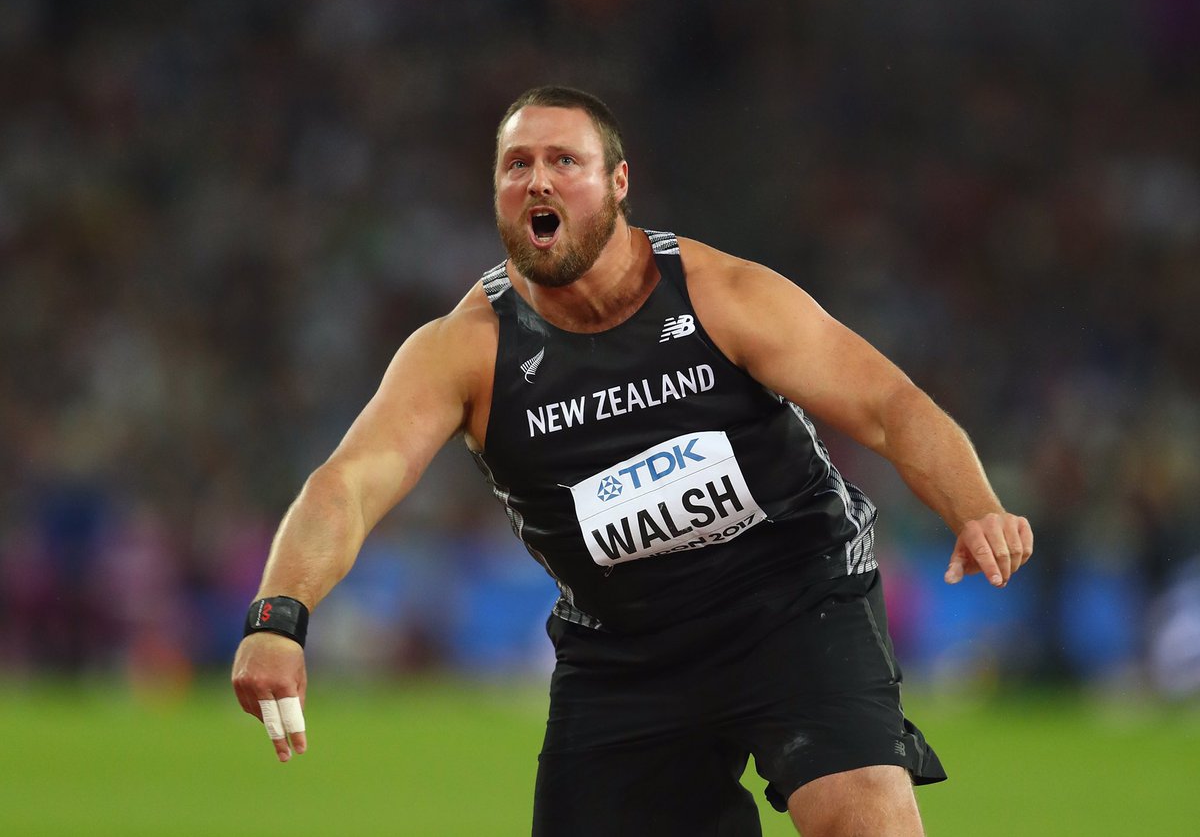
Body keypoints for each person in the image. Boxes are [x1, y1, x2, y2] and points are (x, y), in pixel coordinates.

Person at [232, 85, 1033, 836]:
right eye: (517, 165)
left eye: (563, 162)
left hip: (795, 603)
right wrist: (278, 616)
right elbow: (350, 482)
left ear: (618, 183)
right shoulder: (463, 351)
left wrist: (975, 505)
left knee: (864, 818)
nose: (537, 180)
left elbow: (891, 408)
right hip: (626, 651)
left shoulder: (723, 293)